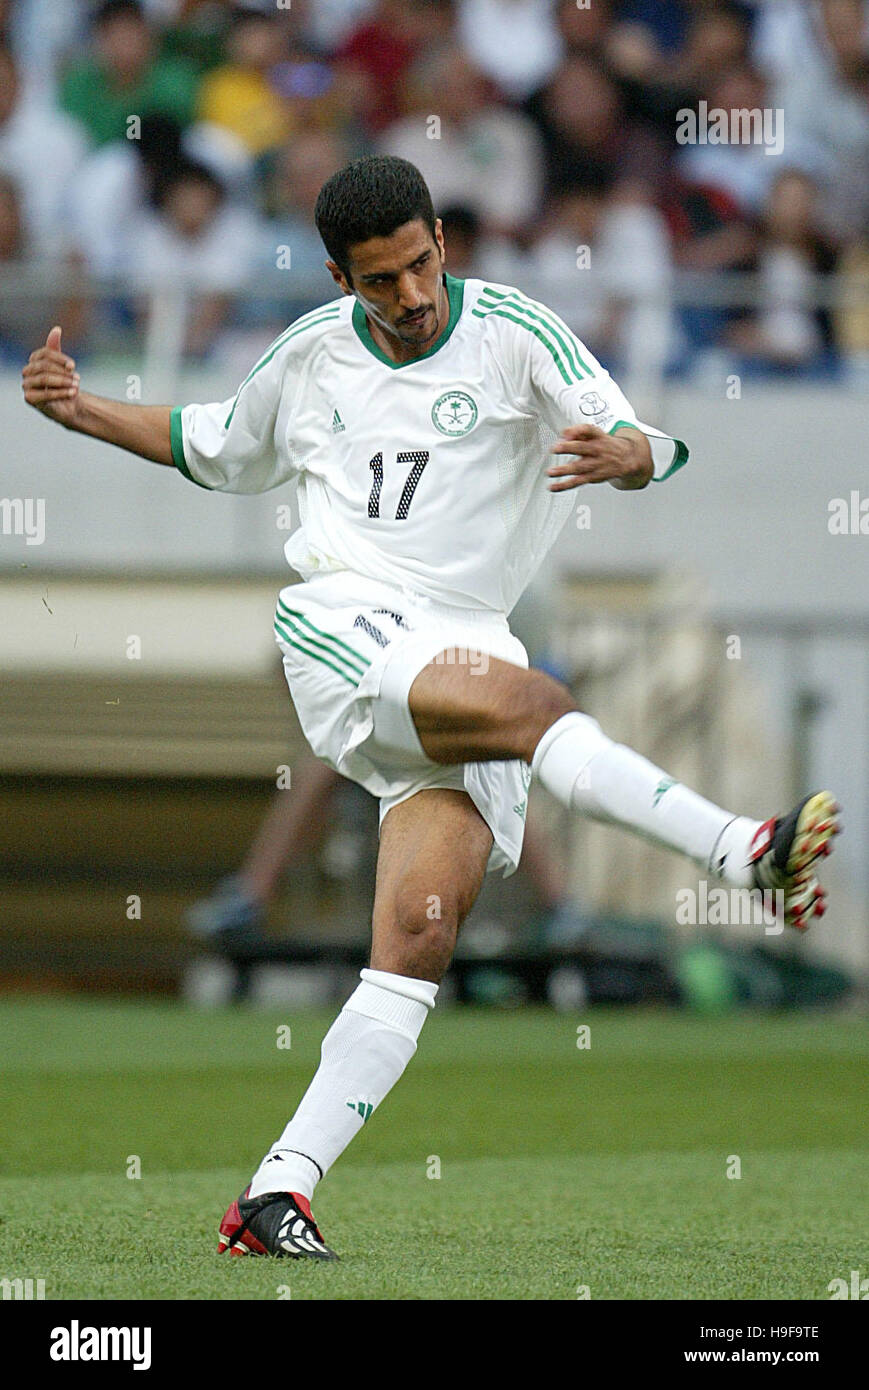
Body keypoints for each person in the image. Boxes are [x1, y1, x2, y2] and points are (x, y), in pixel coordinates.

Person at [22, 155, 839, 1262]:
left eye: (418, 266)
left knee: (417, 935)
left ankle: (275, 1193)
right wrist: (81, 412)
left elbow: (640, 438)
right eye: (378, 282)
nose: (407, 297)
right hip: (344, 621)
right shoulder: (307, 356)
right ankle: (742, 849)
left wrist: (630, 457)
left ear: (442, 239)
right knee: (536, 702)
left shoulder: (515, 332)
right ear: (336, 276)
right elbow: (208, 444)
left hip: (464, 644)